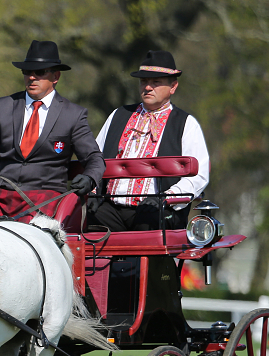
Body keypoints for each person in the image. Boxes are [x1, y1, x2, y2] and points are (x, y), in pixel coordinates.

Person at [0, 40, 105, 233]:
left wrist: (89, 179)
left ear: (55, 76)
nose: (32, 77)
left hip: (45, 200)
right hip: (0, 196)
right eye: (27, 72)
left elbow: (95, 159)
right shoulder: (3, 106)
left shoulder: (73, 115)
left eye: (40, 72)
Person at [87, 50, 210, 232]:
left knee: (150, 223)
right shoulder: (118, 115)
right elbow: (94, 157)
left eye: (156, 82)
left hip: (157, 209)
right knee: (89, 224)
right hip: (111, 207)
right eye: (144, 81)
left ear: (173, 86)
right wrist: (92, 191)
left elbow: (199, 175)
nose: (147, 87)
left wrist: (166, 197)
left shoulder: (185, 124)